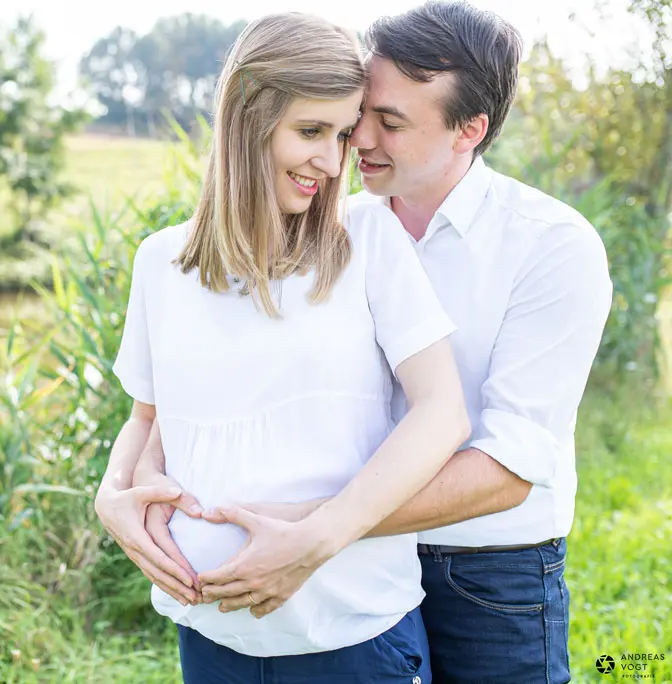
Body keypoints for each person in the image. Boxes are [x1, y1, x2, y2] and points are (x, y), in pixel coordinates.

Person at [105, 2, 614, 683]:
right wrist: (121, 486)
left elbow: (510, 464)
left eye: (386, 122)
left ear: (470, 129)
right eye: (352, 118)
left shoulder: (550, 246)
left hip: (483, 569)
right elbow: (191, 393)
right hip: (338, 574)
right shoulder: (327, 228)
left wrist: (313, 531)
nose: (357, 143)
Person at [94, 11, 471, 684]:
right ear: (246, 116)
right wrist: (111, 495)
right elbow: (147, 417)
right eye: (309, 131)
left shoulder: (369, 243)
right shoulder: (161, 263)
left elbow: (442, 413)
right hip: (211, 636)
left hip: (350, 635)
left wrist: (315, 541)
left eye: (340, 135)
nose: (330, 163)